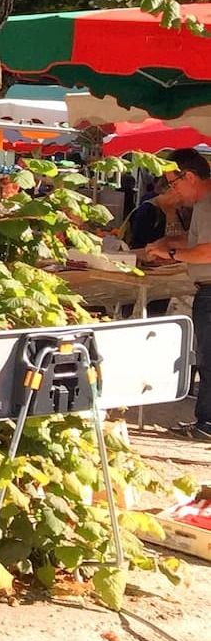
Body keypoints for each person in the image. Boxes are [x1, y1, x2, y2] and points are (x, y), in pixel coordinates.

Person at [141, 149, 211, 440]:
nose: (174, 190)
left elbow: (206, 251)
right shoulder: (203, 205)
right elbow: (197, 241)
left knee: (208, 361)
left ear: (190, 176)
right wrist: (170, 242)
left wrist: (171, 252)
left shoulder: (208, 205)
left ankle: (207, 424)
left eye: (174, 183)